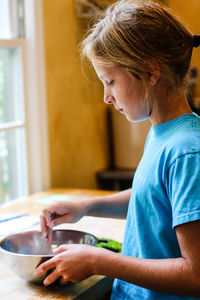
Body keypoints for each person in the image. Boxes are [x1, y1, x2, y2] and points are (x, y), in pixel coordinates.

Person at [34, 0, 200, 299]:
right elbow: (154, 200)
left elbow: (195, 274)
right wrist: (87, 207)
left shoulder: (187, 151)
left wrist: (100, 260)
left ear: (150, 72)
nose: (107, 97)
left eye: (110, 81)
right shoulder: (164, 133)